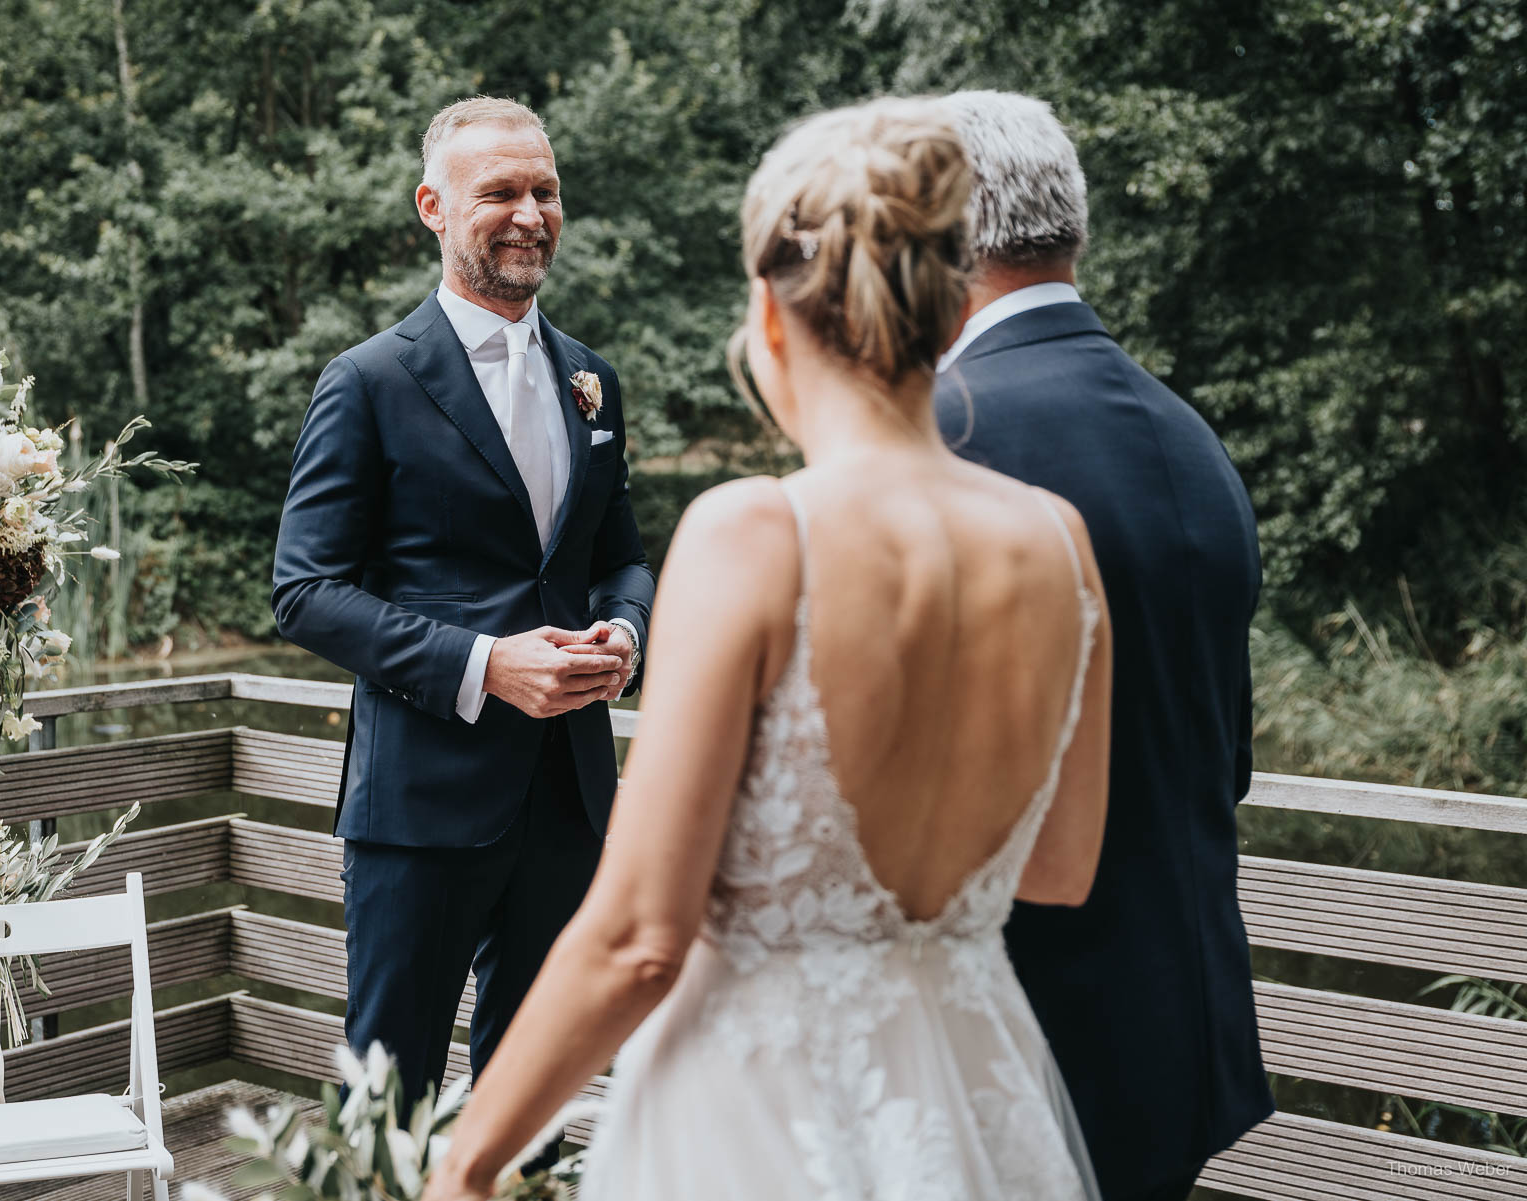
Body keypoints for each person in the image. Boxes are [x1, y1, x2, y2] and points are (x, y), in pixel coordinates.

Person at [422, 96, 1113, 1201]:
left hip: (763, 1109)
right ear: (947, 312)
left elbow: (640, 936)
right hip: (975, 1095)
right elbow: (1061, 867)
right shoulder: (1059, 544)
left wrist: (462, 1163)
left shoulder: (757, 533)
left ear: (773, 315)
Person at [271, 96, 656, 1113]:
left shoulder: (593, 380)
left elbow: (621, 558)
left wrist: (623, 631)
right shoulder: (368, 381)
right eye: (501, 193)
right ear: (433, 207)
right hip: (422, 803)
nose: (530, 213)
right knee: (387, 1101)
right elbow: (304, 592)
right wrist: (487, 665)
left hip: (569, 796)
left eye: (546, 191)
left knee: (534, 1092)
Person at [934, 90, 1273, 1201]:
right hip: (1179, 1028)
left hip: (1017, 1031)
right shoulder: (1190, 436)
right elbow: (1227, 757)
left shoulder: (943, 435)